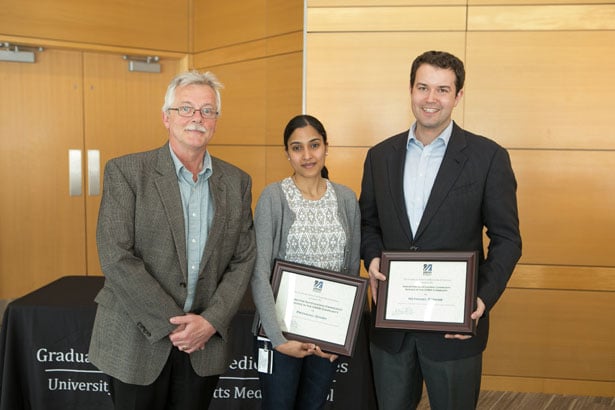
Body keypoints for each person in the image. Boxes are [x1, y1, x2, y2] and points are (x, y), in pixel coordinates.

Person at [359, 50, 522, 409]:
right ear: (411, 90)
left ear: (458, 96)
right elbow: (368, 222)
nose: (431, 99)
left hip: (454, 329)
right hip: (392, 327)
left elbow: (507, 239)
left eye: (442, 89)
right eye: (423, 87)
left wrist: (480, 298)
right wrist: (371, 257)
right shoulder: (380, 156)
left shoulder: (488, 157)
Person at [88, 70, 256, 410]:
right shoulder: (127, 172)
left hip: (204, 344)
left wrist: (208, 323)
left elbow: (243, 260)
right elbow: (116, 256)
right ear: (166, 117)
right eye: (186, 108)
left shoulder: (237, 182)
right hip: (137, 341)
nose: (197, 118)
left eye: (207, 110)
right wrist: (177, 326)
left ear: (216, 121)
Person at [250, 114, 361, 410]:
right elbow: (259, 272)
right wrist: (277, 338)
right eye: (297, 148)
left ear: (326, 147)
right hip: (280, 333)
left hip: (326, 338)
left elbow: (350, 271)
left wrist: (341, 337)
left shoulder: (347, 199)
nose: (307, 155)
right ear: (287, 153)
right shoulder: (273, 197)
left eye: (314, 145)